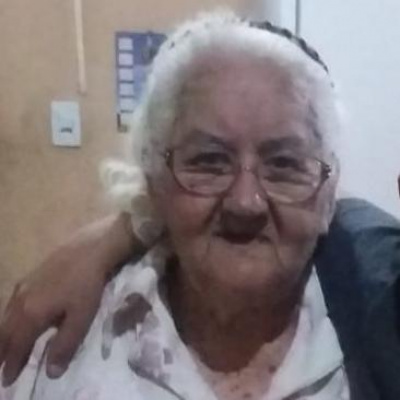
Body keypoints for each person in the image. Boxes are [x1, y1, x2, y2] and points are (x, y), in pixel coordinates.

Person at [1, 10, 400, 399]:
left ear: (329, 191)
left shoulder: (380, 322)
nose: (245, 203)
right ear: (153, 176)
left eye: (283, 164)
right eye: (209, 161)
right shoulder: (56, 349)